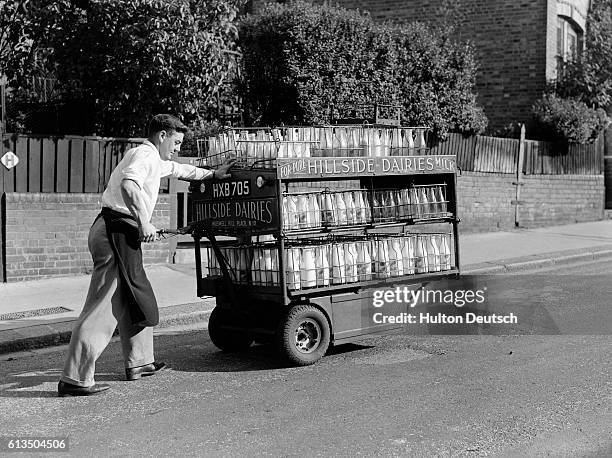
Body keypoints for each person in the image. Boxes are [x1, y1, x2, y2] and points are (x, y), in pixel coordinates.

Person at [58, 114, 235, 397]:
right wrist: (144, 222)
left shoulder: (154, 158)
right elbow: (129, 186)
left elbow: (180, 169)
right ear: (161, 135)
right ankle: (75, 378)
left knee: (134, 296)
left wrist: (213, 174)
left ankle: (140, 362)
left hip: (119, 231)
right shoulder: (144, 154)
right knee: (104, 305)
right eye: (176, 141)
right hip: (116, 230)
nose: (177, 147)